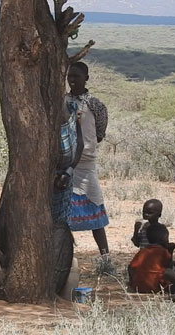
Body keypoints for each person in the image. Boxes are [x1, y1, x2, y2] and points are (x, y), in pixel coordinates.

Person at [66, 62, 112, 267]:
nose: (72, 80)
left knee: (95, 205)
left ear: (87, 78)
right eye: (70, 76)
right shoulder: (62, 101)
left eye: (77, 76)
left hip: (85, 163)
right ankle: (64, 256)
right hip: (65, 160)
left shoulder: (95, 104)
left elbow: (100, 132)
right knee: (63, 211)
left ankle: (105, 258)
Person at [52, 93, 84, 294]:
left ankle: (61, 285)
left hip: (64, 178)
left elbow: (79, 145)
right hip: (51, 178)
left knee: (61, 227)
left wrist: (68, 171)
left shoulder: (71, 117)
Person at [127, 223, 173, 293]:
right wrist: (171, 252)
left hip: (139, 287)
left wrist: (132, 283)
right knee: (171, 274)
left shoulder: (142, 252)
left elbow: (131, 267)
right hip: (157, 286)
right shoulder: (163, 252)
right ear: (163, 239)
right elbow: (170, 266)